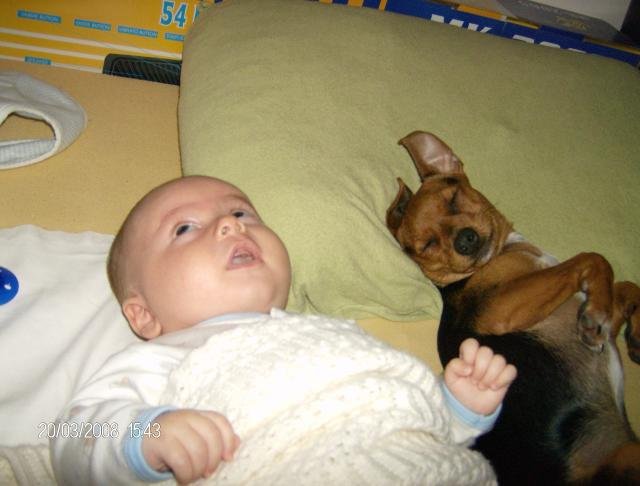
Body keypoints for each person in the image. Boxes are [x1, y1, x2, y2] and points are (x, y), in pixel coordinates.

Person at [51, 176, 517, 485]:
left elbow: (396, 421)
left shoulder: (331, 334)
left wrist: (452, 408)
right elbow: (71, 434)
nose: (230, 226)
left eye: (243, 214)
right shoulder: (162, 358)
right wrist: (145, 437)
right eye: (185, 228)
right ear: (143, 316)